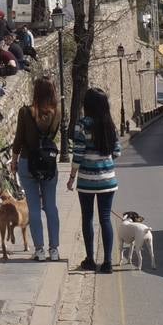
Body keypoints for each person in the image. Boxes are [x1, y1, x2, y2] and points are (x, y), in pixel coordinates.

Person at [67, 87, 121, 273]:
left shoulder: (82, 125)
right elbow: (117, 152)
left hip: (87, 181)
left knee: (87, 217)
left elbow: (78, 155)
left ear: (87, 105)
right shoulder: (110, 125)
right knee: (105, 218)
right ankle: (107, 262)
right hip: (108, 180)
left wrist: (71, 178)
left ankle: (90, 259)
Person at [12, 77, 62, 262]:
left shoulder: (25, 112)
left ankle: (39, 250)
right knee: (51, 206)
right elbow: (53, 135)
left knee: (33, 207)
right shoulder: (57, 112)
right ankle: (54, 250)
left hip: (28, 161)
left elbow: (18, 140)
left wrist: (14, 161)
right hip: (48, 163)